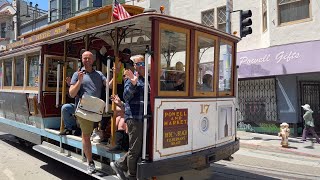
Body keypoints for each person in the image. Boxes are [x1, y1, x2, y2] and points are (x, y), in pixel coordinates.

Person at [69, 51, 108, 174]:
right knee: (86, 136)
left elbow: (109, 86)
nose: (86, 60)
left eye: (89, 58)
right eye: (84, 58)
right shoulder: (77, 74)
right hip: (84, 110)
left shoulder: (99, 74)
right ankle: (90, 162)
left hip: (97, 109)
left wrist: (115, 73)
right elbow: (71, 93)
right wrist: (79, 81)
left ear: (93, 60)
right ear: (81, 60)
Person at [110, 55, 147, 180]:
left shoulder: (148, 79)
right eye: (139, 64)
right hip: (135, 117)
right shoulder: (130, 79)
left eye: (144, 63)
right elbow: (126, 96)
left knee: (140, 147)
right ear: (135, 66)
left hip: (146, 117)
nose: (142, 66)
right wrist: (133, 83)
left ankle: (119, 164)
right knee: (135, 148)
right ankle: (131, 176)